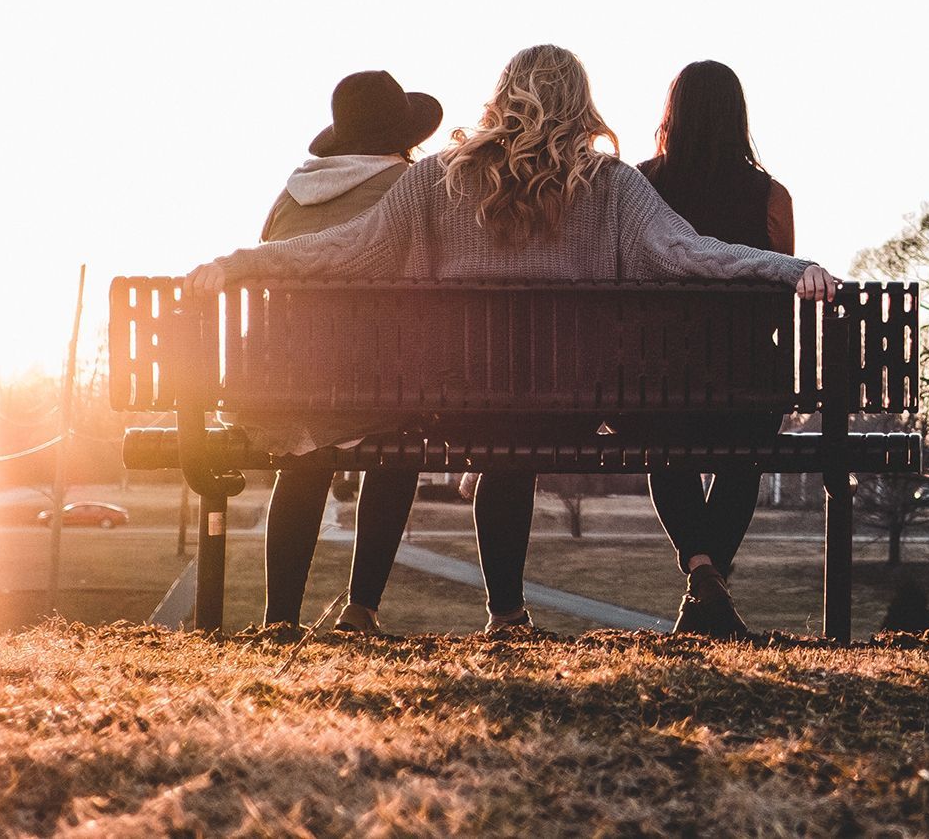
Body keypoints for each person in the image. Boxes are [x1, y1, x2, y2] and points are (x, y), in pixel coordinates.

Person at [185, 44, 839, 634]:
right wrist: (789, 269)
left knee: (501, 441)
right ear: (582, 104)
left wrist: (244, 263)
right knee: (534, 428)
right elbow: (694, 255)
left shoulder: (436, 180)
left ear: (502, 99)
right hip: (572, 414)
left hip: (463, 411)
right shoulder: (612, 185)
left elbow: (343, 250)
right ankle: (521, 611)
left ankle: (505, 615)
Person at [254, 70, 440, 635]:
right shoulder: (411, 188)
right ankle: (361, 608)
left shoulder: (290, 195)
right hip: (376, 387)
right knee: (402, 442)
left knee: (306, 453)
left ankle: (280, 616)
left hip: (289, 389)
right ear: (400, 135)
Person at [635, 60, 795, 637]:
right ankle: (708, 582)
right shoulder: (770, 195)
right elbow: (780, 297)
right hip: (747, 382)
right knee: (743, 458)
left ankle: (701, 573)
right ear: (738, 116)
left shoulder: (641, 185)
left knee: (662, 447)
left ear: (672, 115)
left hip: (659, 379)